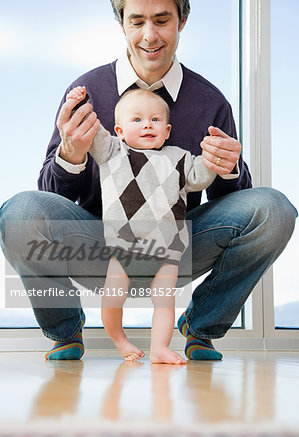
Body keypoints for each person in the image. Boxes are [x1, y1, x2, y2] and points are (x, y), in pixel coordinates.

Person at [0, 0, 297, 362]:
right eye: (137, 21)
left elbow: (232, 202)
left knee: (274, 210)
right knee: (19, 213)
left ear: (182, 21)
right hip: (102, 244)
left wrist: (230, 166)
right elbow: (47, 202)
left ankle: (200, 329)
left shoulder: (210, 102)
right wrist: (72, 154)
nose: (149, 35)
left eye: (161, 20)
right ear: (121, 23)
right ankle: (65, 331)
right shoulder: (87, 91)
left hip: (175, 246)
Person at [66, 86, 216, 364]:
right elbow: (90, 128)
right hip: (123, 248)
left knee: (164, 302)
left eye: (155, 120)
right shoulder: (112, 151)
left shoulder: (180, 158)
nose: (147, 124)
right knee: (112, 301)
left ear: (167, 130)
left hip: (167, 251)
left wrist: (213, 158)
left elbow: (201, 176)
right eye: (137, 120)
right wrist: (78, 104)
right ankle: (120, 340)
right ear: (120, 131)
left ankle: (160, 347)